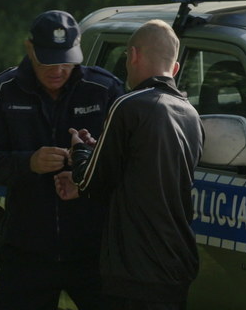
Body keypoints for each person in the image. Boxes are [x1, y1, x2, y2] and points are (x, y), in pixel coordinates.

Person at [0, 10, 124, 310]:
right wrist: (30, 163)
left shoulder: (104, 89)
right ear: (29, 48)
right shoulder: (3, 92)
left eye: (65, 60)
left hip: (92, 251)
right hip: (27, 251)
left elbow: (126, 162)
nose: (58, 70)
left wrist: (85, 173)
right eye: (48, 60)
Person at [56, 19, 203, 310]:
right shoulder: (191, 114)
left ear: (133, 55)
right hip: (177, 263)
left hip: (134, 269)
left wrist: (80, 152)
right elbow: (147, 171)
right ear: (174, 69)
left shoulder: (128, 104)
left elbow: (88, 181)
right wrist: (104, 150)